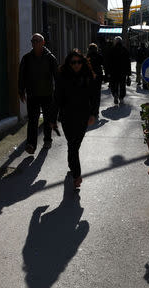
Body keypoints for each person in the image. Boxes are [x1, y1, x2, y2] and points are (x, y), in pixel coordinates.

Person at [55, 49, 98, 188]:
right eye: (73, 62)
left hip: (82, 117)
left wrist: (93, 114)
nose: (76, 65)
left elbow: (95, 97)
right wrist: (51, 118)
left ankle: (74, 170)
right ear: (69, 63)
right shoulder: (62, 77)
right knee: (72, 144)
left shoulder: (88, 76)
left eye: (79, 62)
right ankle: (75, 171)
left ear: (83, 62)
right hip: (67, 117)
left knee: (74, 145)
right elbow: (57, 98)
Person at [19, 33, 58, 154]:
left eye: (37, 41)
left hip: (47, 94)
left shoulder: (50, 58)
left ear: (43, 43)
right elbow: (21, 76)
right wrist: (21, 91)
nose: (34, 43)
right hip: (32, 94)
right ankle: (31, 144)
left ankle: (47, 139)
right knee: (33, 120)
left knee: (47, 119)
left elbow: (57, 76)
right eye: (33, 41)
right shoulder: (26, 58)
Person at [107, 36, 131, 104]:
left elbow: (108, 62)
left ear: (115, 42)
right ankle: (121, 97)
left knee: (114, 84)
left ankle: (115, 94)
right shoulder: (125, 50)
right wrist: (128, 73)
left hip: (113, 71)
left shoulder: (111, 50)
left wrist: (108, 72)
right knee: (122, 85)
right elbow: (128, 62)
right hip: (123, 72)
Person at [87, 43, 104, 118]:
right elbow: (104, 64)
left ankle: (90, 111)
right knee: (97, 94)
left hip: (89, 77)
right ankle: (96, 111)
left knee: (90, 94)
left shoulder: (87, 57)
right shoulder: (99, 56)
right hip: (98, 77)